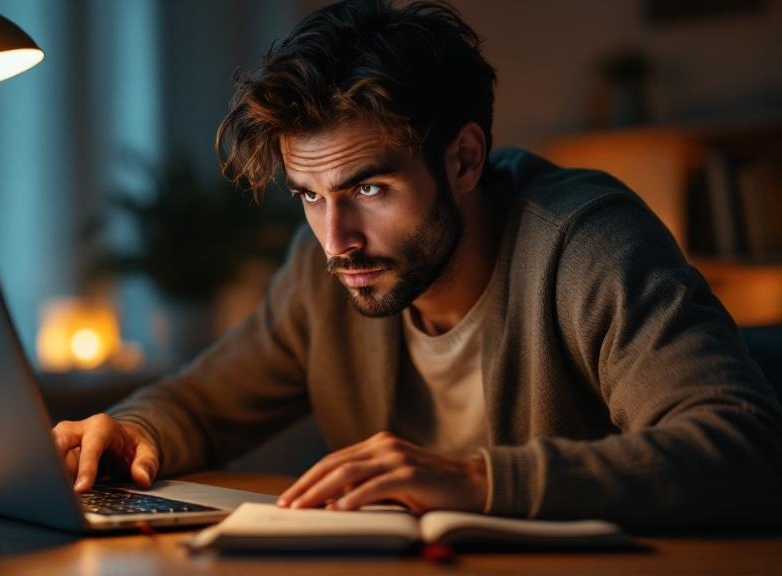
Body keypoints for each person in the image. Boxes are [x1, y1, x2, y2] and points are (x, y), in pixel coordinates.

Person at [52, 0, 782, 528]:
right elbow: (204, 402)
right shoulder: (326, 269)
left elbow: (747, 449)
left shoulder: (585, 241)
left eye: (369, 188)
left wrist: (478, 481)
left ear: (464, 158)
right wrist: (132, 433)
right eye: (310, 195)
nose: (337, 237)